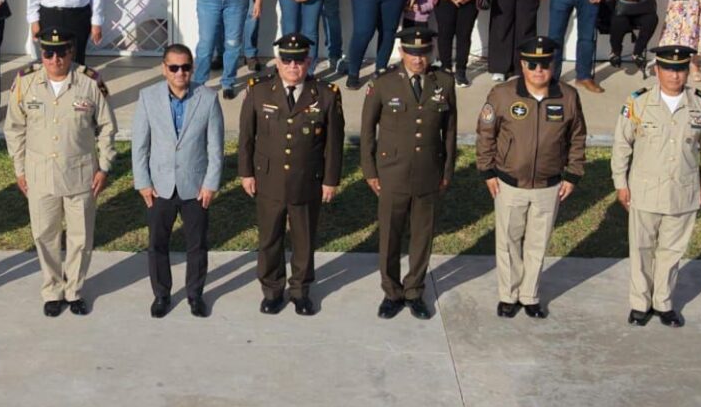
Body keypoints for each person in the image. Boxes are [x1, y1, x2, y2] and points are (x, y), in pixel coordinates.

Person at [4, 29, 116, 318]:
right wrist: (19, 168)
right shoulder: (26, 82)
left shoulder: (89, 82)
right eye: (48, 53)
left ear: (72, 51)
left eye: (62, 52)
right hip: (40, 176)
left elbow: (106, 127)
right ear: (41, 53)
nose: (55, 59)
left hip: (80, 174)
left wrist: (104, 166)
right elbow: (14, 129)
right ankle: (52, 289)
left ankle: (74, 290)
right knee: (45, 234)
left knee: (80, 237)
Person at [476, 37, 587, 319]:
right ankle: (508, 295)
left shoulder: (568, 96)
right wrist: (488, 171)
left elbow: (577, 137)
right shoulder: (502, 94)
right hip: (509, 183)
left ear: (553, 65)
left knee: (538, 243)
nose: (539, 70)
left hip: (549, 185)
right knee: (509, 242)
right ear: (523, 64)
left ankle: (530, 295)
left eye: (545, 64)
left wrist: (573, 174)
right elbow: (486, 134)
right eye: (533, 64)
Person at [238, 32, 345, 315]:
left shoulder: (325, 94)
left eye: (299, 61)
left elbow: (334, 143)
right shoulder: (259, 91)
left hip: (306, 181)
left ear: (308, 62)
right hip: (268, 179)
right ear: (277, 61)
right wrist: (246, 173)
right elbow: (246, 137)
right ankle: (272, 291)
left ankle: (300, 291)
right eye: (287, 61)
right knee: (270, 239)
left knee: (303, 239)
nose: (293, 67)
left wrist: (331, 180)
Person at [611, 44, 701, 327]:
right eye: (668, 69)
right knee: (642, 249)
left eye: (680, 69)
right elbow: (622, 145)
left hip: (683, 190)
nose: (674, 75)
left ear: (688, 71)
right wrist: (620, 183)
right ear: (656, 70)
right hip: (645, 189)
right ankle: (639, 304)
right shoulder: (638, 103)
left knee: (671, 252)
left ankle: (663, 303)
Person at [361, 27, 457, 320]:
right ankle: (391, 292)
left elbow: (450, 131)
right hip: (392, 172)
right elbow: (367, 131)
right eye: (412, 53)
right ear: (401, 52)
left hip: (428, 171)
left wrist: (447, 170)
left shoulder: (443, 82)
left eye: (424, 53)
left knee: (422, 235)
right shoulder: (384, 83)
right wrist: (370, 170)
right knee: (390, 234)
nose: (418, 59)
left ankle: (414, 290)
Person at [130, 42, 224, 318]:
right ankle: (162, 295)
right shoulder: (147, 97)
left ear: (192, 68)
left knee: (197, 244)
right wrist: (143, 182)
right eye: (174, 67)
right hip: (159, 186)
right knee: (157, 244)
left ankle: (195, 295)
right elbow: (140, 146)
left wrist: (211, 184)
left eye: (185, 67)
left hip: (195, 186)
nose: (180, 72)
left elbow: (215, 148)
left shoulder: (207, 98)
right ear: (164, 69)